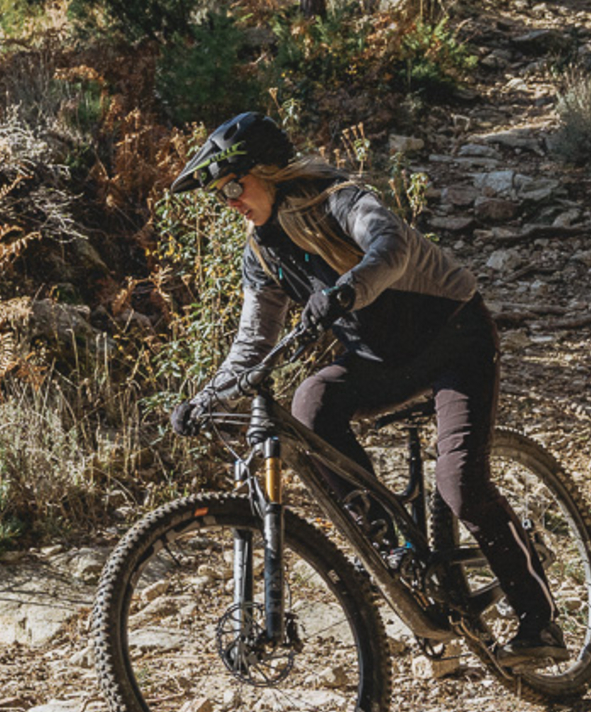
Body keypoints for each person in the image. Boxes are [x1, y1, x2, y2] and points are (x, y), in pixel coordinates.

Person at [165, 111, 565, 669]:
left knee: (458, 483)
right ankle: (396, 551)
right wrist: (207, 398)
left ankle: (538, 620)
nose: (229, 200)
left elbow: (390, 246)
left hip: (455, 339)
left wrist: (350, 288)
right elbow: (253, 344)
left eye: (234, 185)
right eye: (218, 194)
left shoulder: (341, 200)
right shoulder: (260, 251)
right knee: (311, 401)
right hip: (383, 360)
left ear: (268, 171)